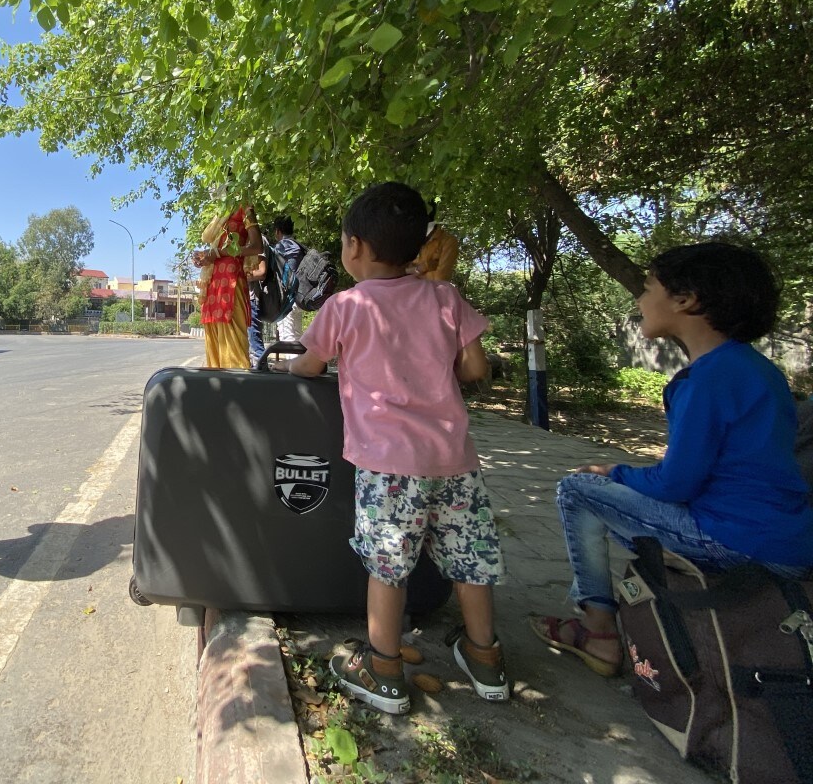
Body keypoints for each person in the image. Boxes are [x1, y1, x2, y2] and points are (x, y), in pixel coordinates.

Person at [529, 242, 813, 674]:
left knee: (579, 489)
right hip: (790, 538)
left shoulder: (705, 380)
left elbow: (676, 483)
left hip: (734, 537)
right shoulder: (759, 370)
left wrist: (614, 471)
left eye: (648, 288)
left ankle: (598, 631)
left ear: (686, 299)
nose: (640, 300)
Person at [284, 182, 508, 714]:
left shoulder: (345, 306)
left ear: (355, 246)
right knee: (470, 560)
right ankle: (486, 661)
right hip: (454, 459)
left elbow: (309, 365)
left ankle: (383, 671)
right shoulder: (447, 297)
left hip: (388, 467)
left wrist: (292, 366)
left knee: (388, 567)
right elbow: (475, 368)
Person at [193, 201, 263, 369]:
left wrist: (217, 253)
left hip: (231, 281)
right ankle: (216, 383)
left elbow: (257, 247)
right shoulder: (221, 211)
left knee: (234, 345)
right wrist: (204, 257)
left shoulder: (245, 206)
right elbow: (217, 249)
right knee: (213, 338)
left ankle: (237, 383)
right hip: (213, 284)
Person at [270, 215, 306, 344]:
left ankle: (292, 358)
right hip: (300, 296)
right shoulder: (297, 246)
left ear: (278, 231)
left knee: (287, 337)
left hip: (288, 298)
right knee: (297, 335)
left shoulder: (282, 246)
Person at [408, 203, 458, 281]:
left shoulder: (448, 241)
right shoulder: (409, 239)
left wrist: (413, 271)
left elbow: (440, 278)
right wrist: (424, 267)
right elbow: (399, 272)